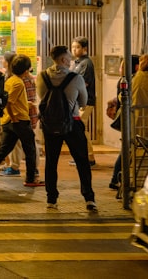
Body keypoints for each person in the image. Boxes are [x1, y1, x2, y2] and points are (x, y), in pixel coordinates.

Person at [37, 45, 96, 212]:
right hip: (73, 123)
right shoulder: (75, 78)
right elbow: (84, 102)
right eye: (68, 58)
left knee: (51, 161)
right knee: (82, 161)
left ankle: (51, 199)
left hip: (50, 124)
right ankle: (89, 198)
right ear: (63, 59)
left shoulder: (42, 77)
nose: (70, 61)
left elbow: (42, 98)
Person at [0, 55, 43, 188]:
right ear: (26, 71)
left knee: (3, 150)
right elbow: (9, 102)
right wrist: (14, 117)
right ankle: (30, 178)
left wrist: (26, 104)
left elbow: (11, 100)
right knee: (30, 150)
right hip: (19, 121)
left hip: (8, 121)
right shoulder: (18, 82)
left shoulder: (10, 80)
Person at [70, 36, 97, 166]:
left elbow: (83, 83)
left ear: (85, 48)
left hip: (85, 101)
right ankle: (86, 157)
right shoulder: (77, 63)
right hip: (79, 101)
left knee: (80, 129)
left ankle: (87, 158)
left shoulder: (86, 63)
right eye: (73, 47)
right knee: (80, 129)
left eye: (77, 47)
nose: (74, 49)